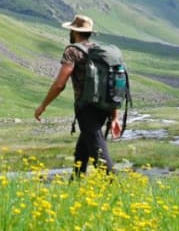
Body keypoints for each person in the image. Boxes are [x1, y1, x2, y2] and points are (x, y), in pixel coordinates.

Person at [34, 14, 121, 176]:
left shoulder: (72, 51)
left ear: (74, 32)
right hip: (104, 107)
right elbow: (111, 84)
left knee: (98, 152)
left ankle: (115, 188)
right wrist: (114, 116)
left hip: (86, 108)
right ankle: (75, 184)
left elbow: (60, 84)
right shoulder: (98, 51)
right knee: (82, 150)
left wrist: (43, 105)